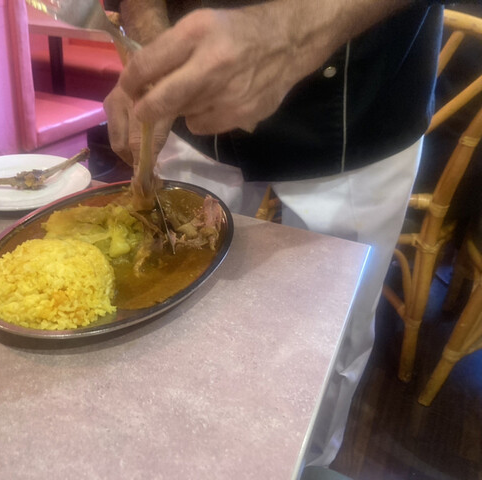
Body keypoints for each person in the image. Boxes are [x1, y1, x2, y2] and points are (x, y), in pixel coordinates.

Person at [102, 0, 455, 470]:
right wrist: (148, 43)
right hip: (190, 96)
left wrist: (297, 29)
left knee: (329, 343)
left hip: (360, 103)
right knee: (171, 318)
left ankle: (308, 467)